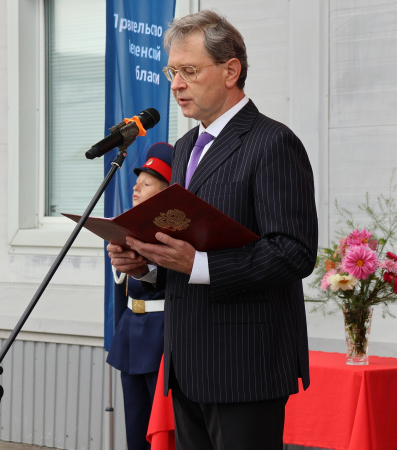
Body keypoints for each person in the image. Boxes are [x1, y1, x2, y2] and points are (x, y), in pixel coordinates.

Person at [106, 10, 318, 450]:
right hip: (187, 362)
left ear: (230, 71)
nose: (176, 84)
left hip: (245, 364)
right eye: (172, 71)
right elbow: (186, 243)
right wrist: (145, 266)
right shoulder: (185, 147)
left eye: (189, 71)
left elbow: (294, 252)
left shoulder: (273, 142)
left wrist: (200, 264)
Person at [107, 142, 173, 450]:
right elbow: (120, 289)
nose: (136, 188)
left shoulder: (173, 232)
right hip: (131, 332)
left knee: (160, 432)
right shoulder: (126, 224)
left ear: (166, 191)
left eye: (146, 184)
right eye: (136, 182)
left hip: (162, 335)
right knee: (135, 427)